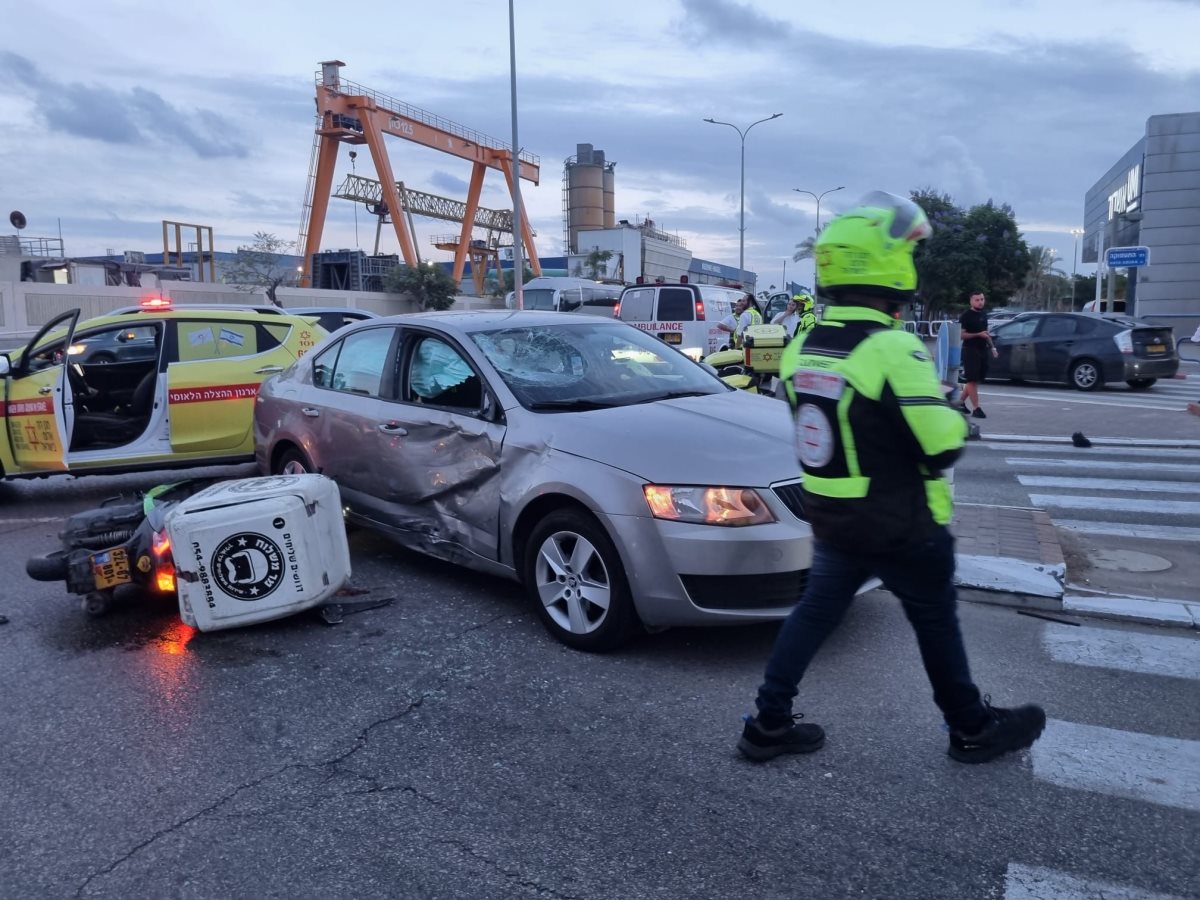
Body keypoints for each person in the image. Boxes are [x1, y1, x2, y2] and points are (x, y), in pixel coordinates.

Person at [737, 191, 1045, 765]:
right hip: (900, 522)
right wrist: (952, 411)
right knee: (935, 621)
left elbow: (807, 419)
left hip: (831, 517)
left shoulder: (804, 344)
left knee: (812, 615)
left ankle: (767, 724)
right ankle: (970, 725)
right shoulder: (893, 347)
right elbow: (941, 444)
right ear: (886, 266)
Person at [957, 291, 998, 418]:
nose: (980, 302)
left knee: (975, 380)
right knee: (972, 379)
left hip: (982, 349)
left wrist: (992, 347)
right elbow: (961, 335)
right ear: (971, 301)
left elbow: (985, 333)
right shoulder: (966, 316)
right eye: (977, 300)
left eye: (982, 299)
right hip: (970, 350)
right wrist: (977, 335)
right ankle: (976, 408)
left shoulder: (983, 315)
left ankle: (959, 403)